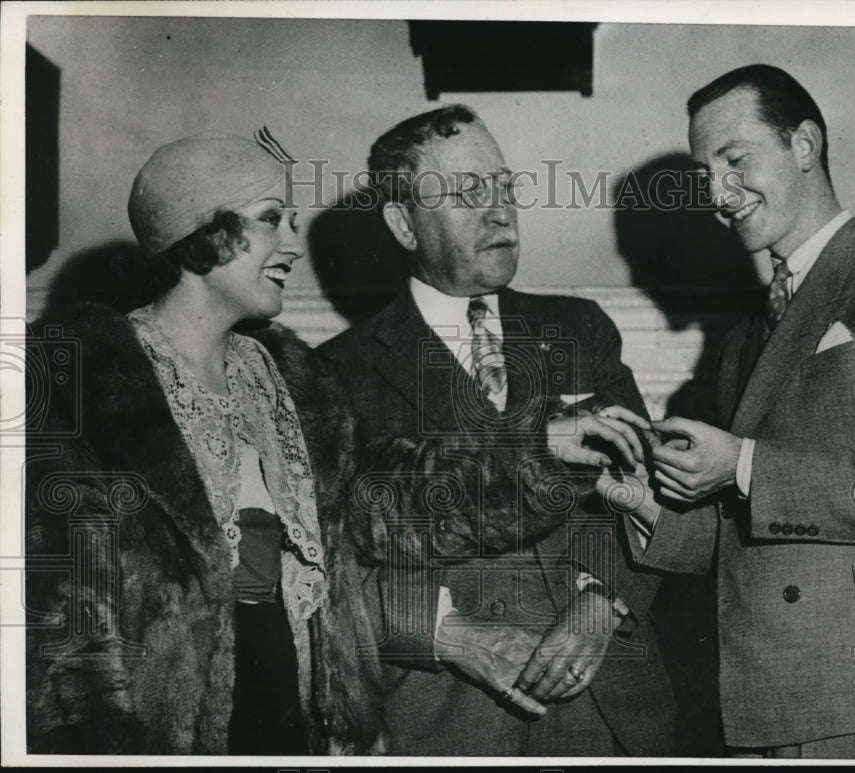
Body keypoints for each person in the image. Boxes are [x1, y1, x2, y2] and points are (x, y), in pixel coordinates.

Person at [23, 133, 627, 755]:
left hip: (301, 715)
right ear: (202, 234)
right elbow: (66, 632)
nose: (293, 244)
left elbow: (394, 503)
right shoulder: (85, 391)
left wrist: (539, 449)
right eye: (270, 220)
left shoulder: (291, 380)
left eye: (291, 220)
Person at [610, 64, 855, 759]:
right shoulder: (745, 337)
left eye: (735, 160)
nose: (718, 193)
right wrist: (635, 496)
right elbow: (746, 534)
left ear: (804, 145)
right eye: (706, 174)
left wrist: (742, 463)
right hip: (762, 706)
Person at [318, 105, 681, 756]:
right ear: (403, 223)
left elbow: (642, 491)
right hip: (452, 725)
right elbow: (331, 569)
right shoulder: (336, 372)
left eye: (505, 187)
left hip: (610, 713)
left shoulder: (580, 329)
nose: (500, 214)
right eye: (466, 193)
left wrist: (602, 599)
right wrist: (453, 636)